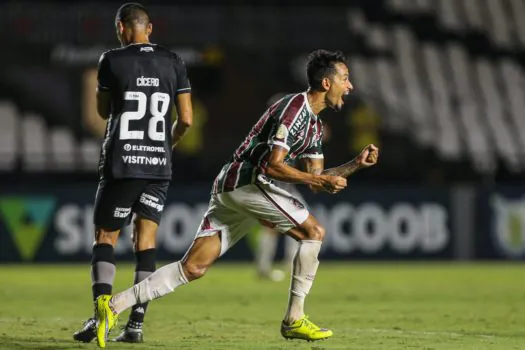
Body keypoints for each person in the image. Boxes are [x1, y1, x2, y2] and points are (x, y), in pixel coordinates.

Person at [92, 49, 379, 348]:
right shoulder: (294, 108)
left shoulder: (315, 126)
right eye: (345, 79)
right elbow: (273, 165)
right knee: (314, 232)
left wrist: (355, 164)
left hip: (234, 187)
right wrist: (319, 179)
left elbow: (317, 179)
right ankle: (294, 319)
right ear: (325, 83)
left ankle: (112, 306)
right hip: (247, 182)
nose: (350, 86)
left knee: (192, 268)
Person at [73, 2, 193, 344]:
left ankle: (101, 317)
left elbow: (102, 109)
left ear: (121, 29)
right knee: (146, 242)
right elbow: (185, 119)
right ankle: (136, 324)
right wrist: (168, 145)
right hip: (159, 163)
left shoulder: (112, 60)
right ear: (149, 28)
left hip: (123, 162)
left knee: (105, 238)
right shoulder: (175, 62)